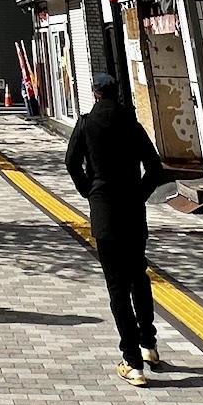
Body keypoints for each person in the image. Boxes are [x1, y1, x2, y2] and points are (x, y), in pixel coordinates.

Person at [65, 72, 168, 387]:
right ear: (116, 92)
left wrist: (89, 190)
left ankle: (132, 360)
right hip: (133, 212)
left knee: (117, 287)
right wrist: (139, 193)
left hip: (105, 213)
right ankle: (149, 345)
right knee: (139, 275)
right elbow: (155, 168)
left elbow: (71, 162)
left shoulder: (85, 124)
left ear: (95, 93)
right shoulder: (131, 124)